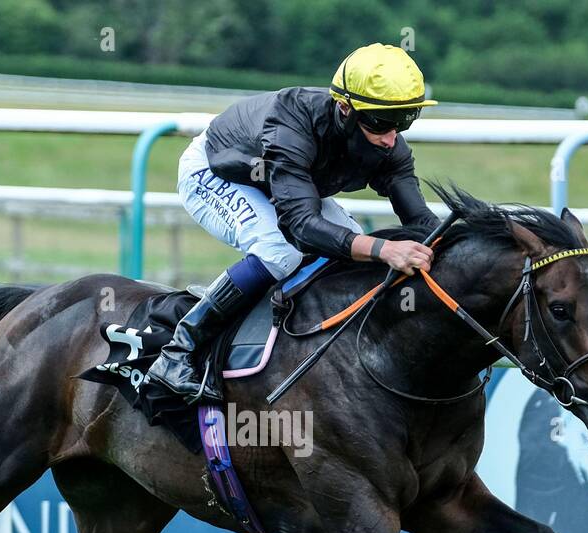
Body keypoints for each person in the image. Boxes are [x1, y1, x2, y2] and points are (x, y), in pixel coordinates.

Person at [141, 42, 442, 404]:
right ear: (344, 109)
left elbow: (421, 221)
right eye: (380, 123)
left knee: (353, 246)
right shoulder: (291, 124)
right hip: (216, 171)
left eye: (404, 122)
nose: (391, 137)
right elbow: (301, 226)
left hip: (281, 179)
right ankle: (179, 352)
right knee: (279, 249)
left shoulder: (390, 145)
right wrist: (384, 249)